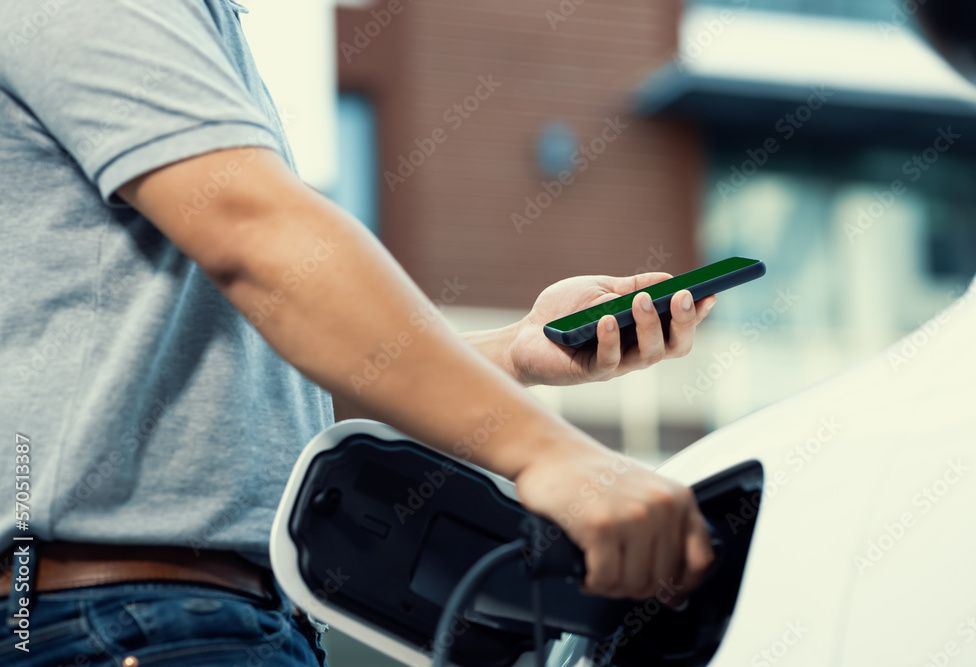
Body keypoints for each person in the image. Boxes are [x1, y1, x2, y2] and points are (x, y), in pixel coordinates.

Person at [0, 1, 717, 664]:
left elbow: (268, 403)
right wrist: (548, 452)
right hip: (130, 617)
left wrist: (515, 351)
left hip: (157, 616)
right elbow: (255, 232)